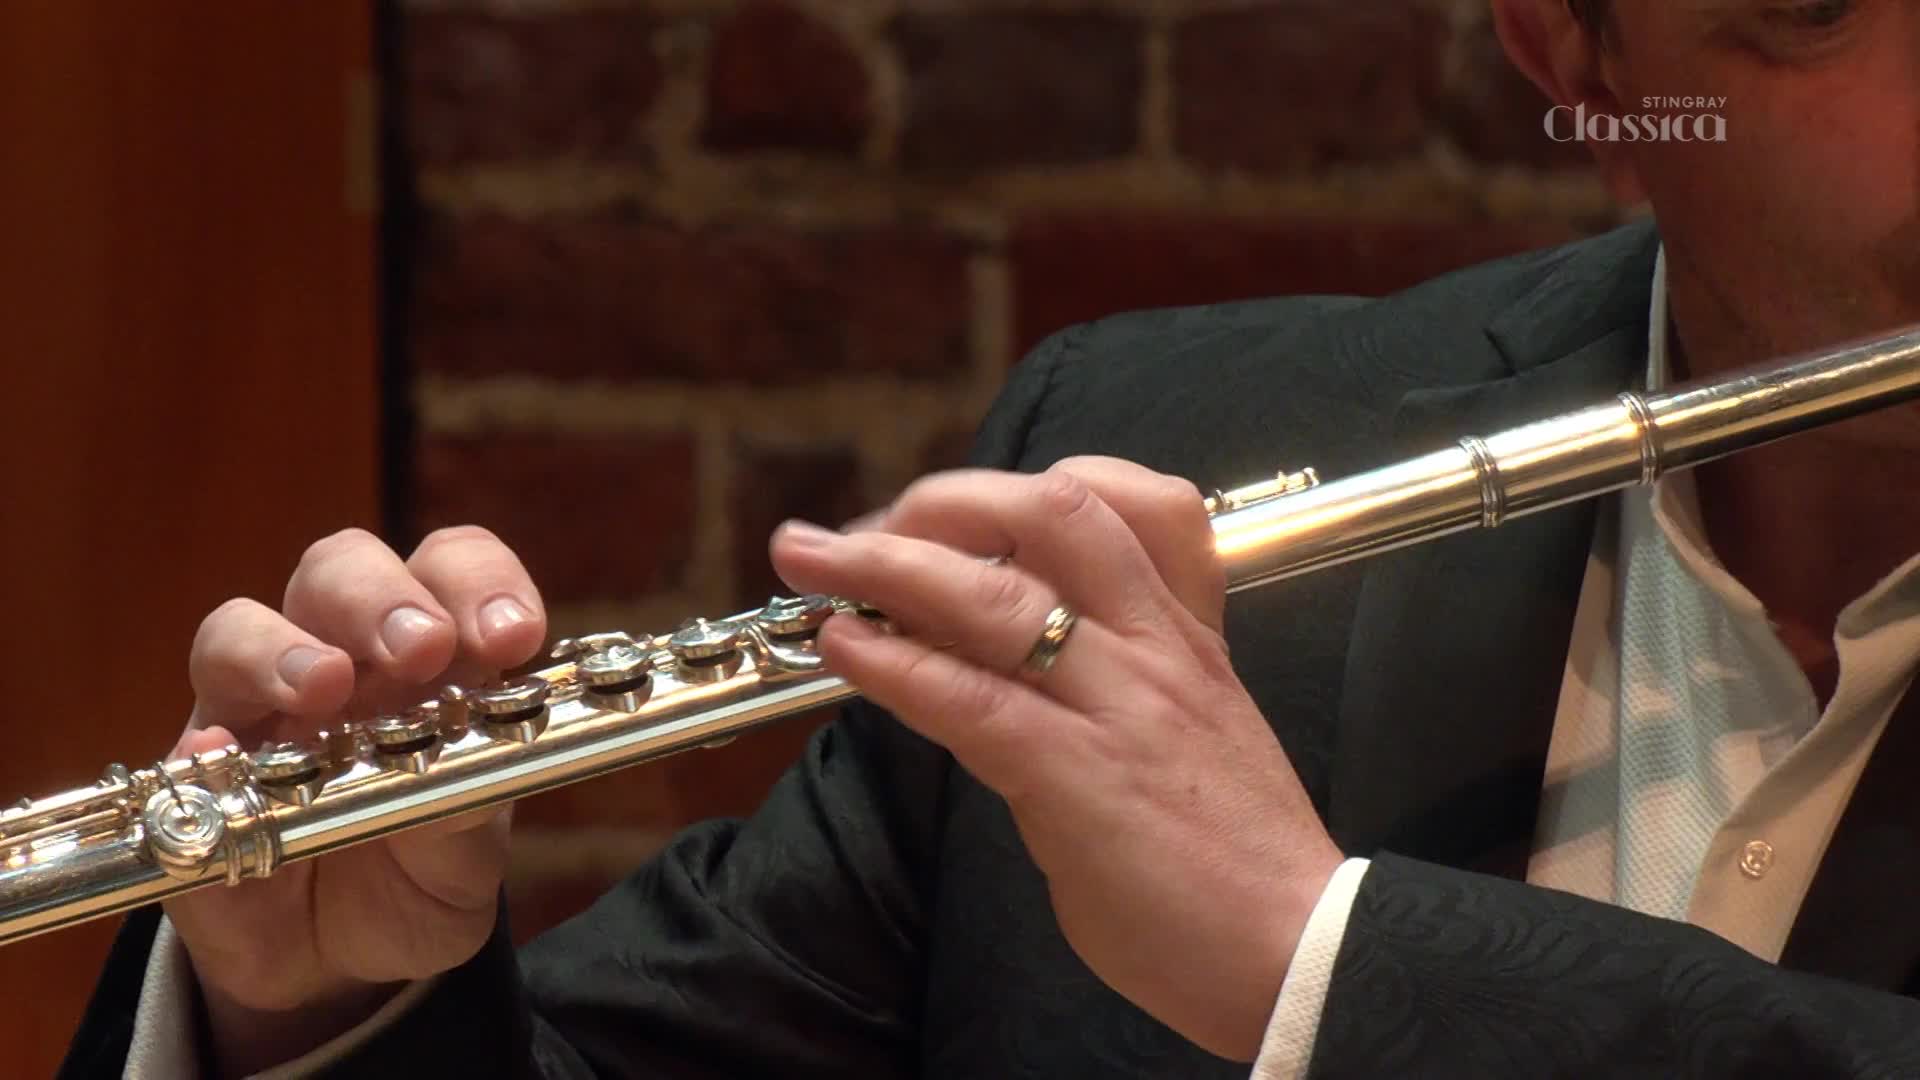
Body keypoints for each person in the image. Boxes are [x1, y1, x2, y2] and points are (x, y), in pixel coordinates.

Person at [60, 0, 1920, 1075]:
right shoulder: (1152, 465)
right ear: (1582, 60)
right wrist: (322, 1010)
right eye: (1828, 5)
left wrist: (1324, 959)